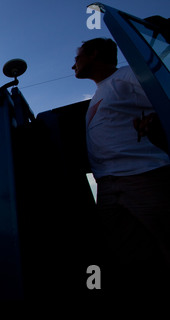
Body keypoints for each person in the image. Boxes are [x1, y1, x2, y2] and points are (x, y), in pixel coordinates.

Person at [72, 37, 170, 296]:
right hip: (107, 186)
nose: (74, 65)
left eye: (77, 57)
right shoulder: (97, 95)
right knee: (131, 256)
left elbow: (164, 97)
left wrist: (155, 120)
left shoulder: (128, 77)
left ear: (93, 54)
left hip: (143, 176)